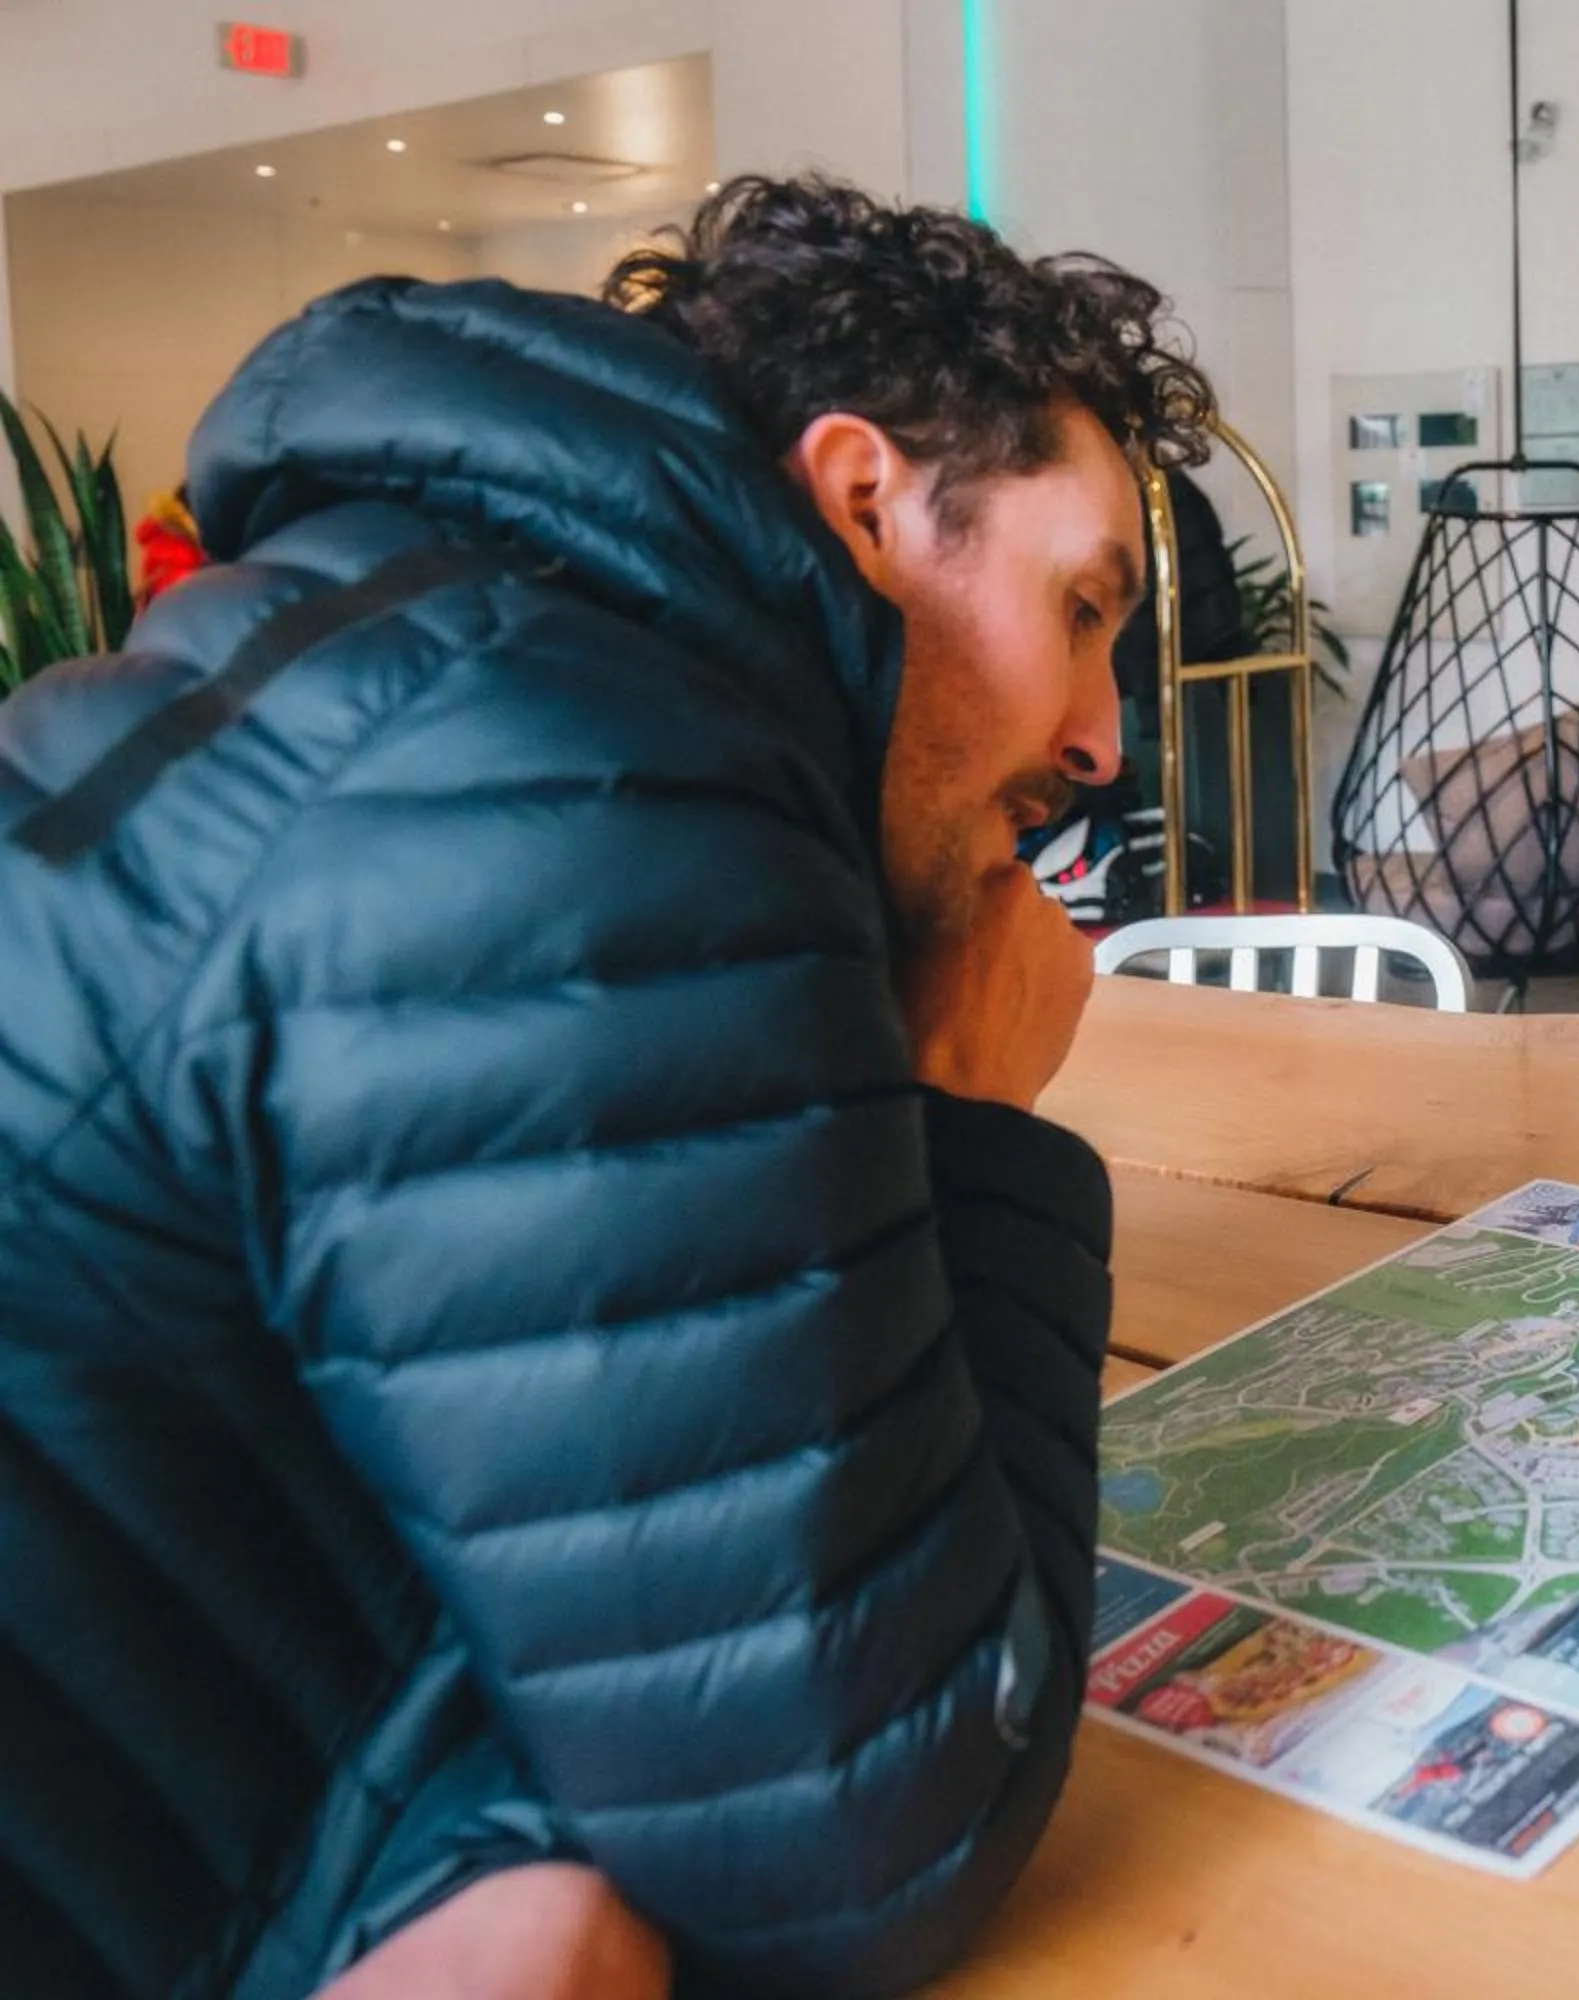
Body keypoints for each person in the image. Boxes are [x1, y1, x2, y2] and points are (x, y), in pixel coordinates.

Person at [0, 175, 1211, 1998]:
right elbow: (873, 1828)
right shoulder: (606, 796)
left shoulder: (434, 645)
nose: (1105, 738)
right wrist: (964, 1105)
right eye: (1085, 606)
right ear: (866, 500)